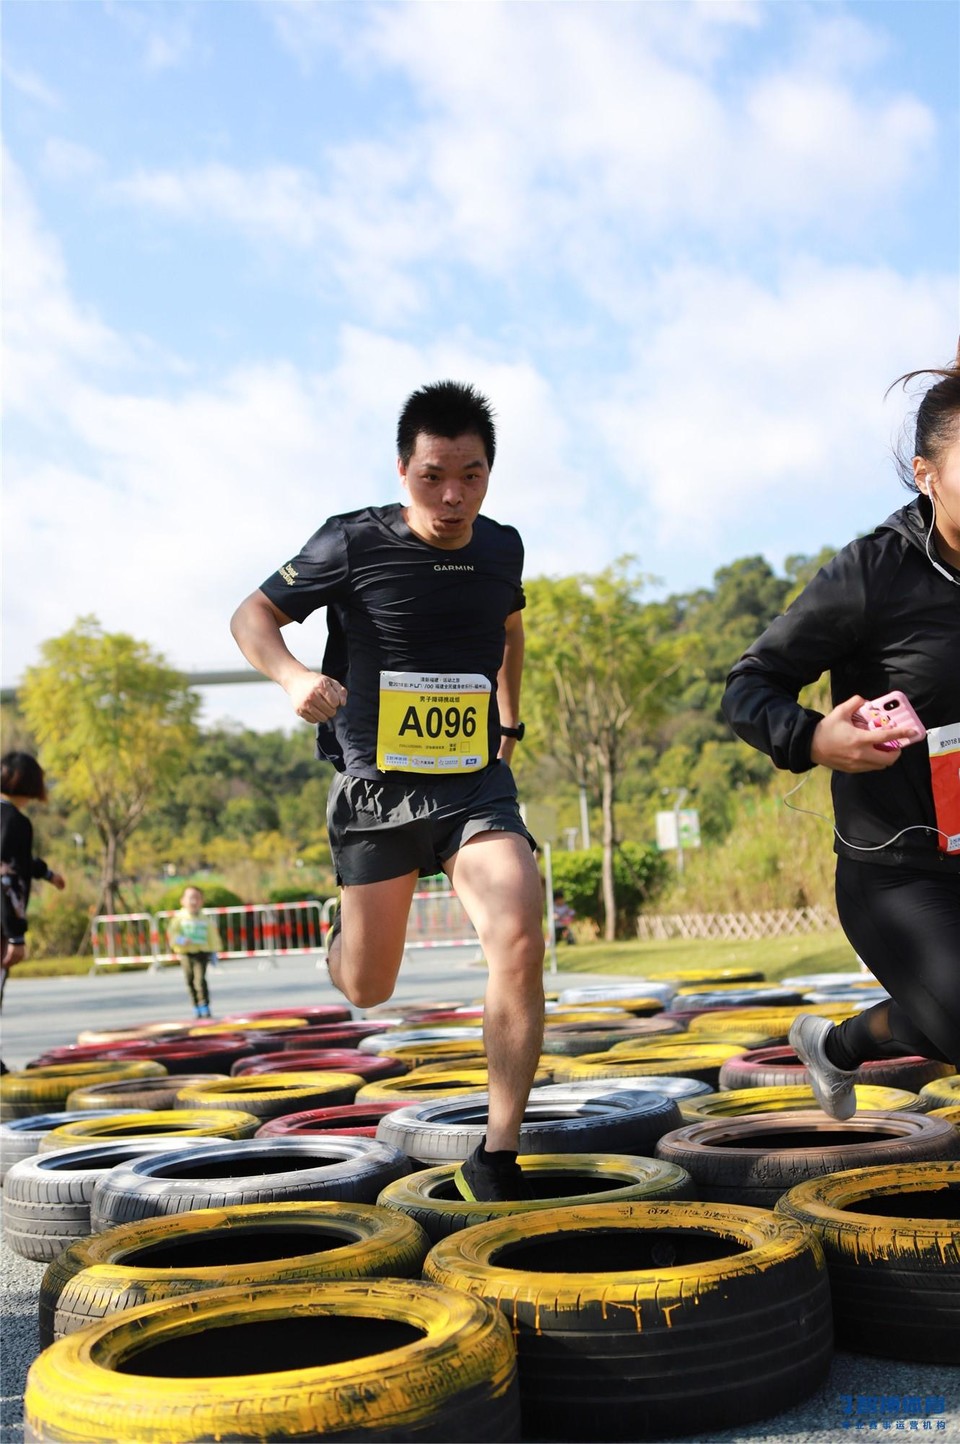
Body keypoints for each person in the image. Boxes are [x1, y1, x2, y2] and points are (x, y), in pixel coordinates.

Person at [230, 380, 545, 1200]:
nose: (452, 496)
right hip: (376, 793)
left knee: (518, 925)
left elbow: (510, 625)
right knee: (370, 986)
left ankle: (499, 1152)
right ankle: (341, 942)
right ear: (403, 468)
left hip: (475, 786)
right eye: (434, 475)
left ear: (489, 473)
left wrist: (509, 717)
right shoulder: (351, 542)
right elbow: (252, 615)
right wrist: (293, 674)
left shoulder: (503, 547)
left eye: (471, 475)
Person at [722, 356, 960, 1118]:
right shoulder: (873, 572)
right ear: (926, 474)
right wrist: (814, 739)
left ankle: (837, 1045)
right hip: (899, 869)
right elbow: (747, 687)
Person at [1, 752, 67, 1071]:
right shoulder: (14, 820)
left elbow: (19, 862)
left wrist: (46, 873)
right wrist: (15, 934)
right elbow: (7, 877)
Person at [166, 884, 221, 1019]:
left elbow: (212, 936)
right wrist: (179, 940)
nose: (193, 901)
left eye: (197, 898)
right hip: (186, 953)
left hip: (202, 953)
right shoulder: (179, 919)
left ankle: (204, 1006)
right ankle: (196, 1006)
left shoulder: (204, 920)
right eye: (190, 898)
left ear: (201, 901)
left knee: (200, 980)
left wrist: (214, 951)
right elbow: (172, 934)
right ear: (183, 901)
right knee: (189, 981)